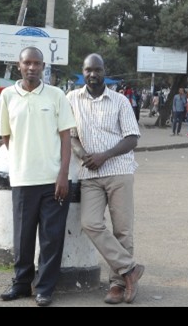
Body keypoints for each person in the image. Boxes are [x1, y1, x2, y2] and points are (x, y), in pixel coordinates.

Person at [0, 46, 76, 307]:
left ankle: (44, 289)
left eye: (37, 63)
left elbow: (66, 137)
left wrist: (63, 175)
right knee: (23, 237)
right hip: (22, 180)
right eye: (27, 63)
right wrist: (23, 161)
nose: (32, 67)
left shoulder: (56, 95)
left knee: (51, 238)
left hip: (53, 181)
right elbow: (7, 136)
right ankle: (21, 284)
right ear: (19, 65)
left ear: (44, 66)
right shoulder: (7, 96)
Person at [67, 53, 145, 304]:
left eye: (97, 70)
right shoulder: (71, 99)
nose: (92, 74)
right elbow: (70, 135)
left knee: (123, 229)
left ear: (104, 71)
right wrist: (82, 155)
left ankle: (117, 285)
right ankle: (130, 269)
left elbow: (132, 138)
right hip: (90, 173)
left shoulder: (120, 101)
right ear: (83, 71)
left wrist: (105, 155)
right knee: (90, 222)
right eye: (88, 69)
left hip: (119, 170)